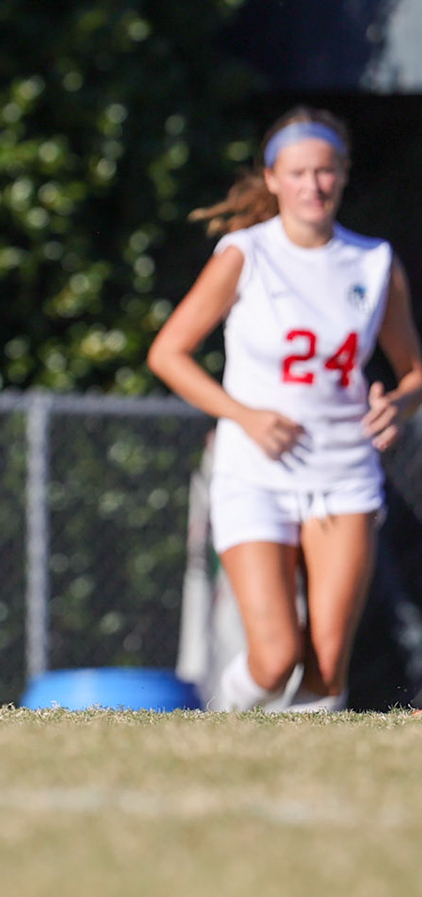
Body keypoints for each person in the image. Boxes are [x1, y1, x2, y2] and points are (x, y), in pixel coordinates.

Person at [147, 107, 422, 712]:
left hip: (343, 470)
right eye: (298, 173)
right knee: (275, 659)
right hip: (255, 472)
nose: (313, 185)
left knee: (325, 668)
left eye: (325, 172)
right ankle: (221, 725)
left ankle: (307, 782)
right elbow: (168, 353)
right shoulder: (245, 254)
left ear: (344, 175)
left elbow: (413, 373)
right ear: (272, 179)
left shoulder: (373, 263)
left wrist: (399, 404)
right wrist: (244, 415)